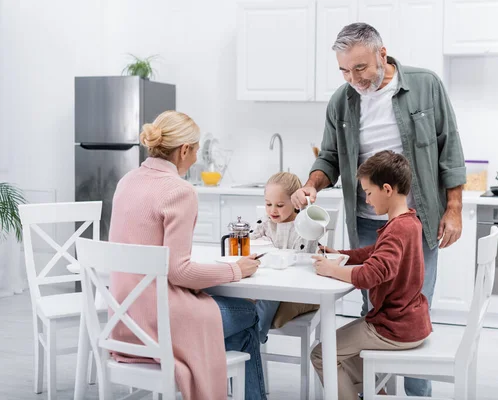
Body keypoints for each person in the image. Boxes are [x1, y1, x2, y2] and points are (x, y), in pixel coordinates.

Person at [291, 22, 466, 397]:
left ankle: (418, 393)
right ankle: (377, 390)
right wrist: (310, 184)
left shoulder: (425, 84)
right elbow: (329, 157)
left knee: (415, 309)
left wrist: (454, 208)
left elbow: (449, 147)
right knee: (372, 314)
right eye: (343, 70)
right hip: (367, 221)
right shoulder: (342, 100)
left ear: (382, 55)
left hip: (418, 222)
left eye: (360, 68)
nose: (352, 78)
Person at [108, 110, 266, 400]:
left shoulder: (127, 181)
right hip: (158, 325)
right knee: (250, 313)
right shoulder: (179, 191)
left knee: (235, 325)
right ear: (183, 150)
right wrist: (237, 270)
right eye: (195, 150)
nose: (196, 158)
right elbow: (179, 272)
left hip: (122, 324)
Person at [310, 150, 432, 399]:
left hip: (393, 327)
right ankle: (379, 394)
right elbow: (374, 252)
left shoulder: (397, 229)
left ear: (387, 189)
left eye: (368, 192)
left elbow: (370, 275)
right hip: (409, 322)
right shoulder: (408, 222)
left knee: (322, 354)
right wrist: (340, 254)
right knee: (343, 353)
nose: (366, 200)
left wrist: (332, 269)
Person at [250, 171, 319, 343]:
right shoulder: (265, 222)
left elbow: (304, 259)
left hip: (293, 285)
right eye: (268, 204)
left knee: (268, 295)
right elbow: (249, 242)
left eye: (280, 205)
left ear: (295, 204)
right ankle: (244, 335)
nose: (272, 210)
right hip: (267, 280)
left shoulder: (303, 226)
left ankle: (254, 337)